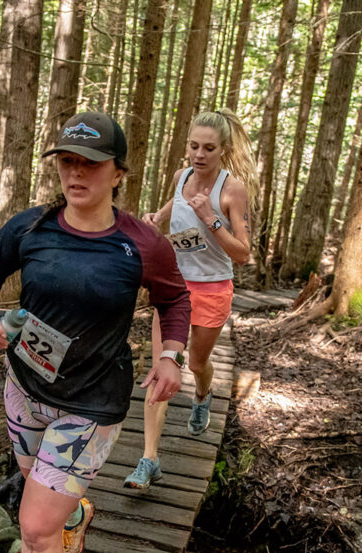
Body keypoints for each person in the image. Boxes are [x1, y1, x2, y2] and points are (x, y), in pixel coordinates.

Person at [0, 111, 191, 553]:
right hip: (24, 387)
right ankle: (76, 515)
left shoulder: (141, 244)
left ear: (118, 173)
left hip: (92, 404)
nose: (76, 173)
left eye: (90, 164)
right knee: (37, 489)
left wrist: (170, 355)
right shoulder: (32, 227)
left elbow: (175, 301)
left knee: (35, 526)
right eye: (67, 161)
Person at [124, 108, 256, 490]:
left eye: (208, 148)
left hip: (213, 288)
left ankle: (202, 395)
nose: (199, 155)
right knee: (163, 368)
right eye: (194, 146)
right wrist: (154, 220)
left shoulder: (232, 191)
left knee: (196, 363)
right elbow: (168, 213)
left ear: (223, 150)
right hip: (174, 287)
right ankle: (148, 458)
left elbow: (243, 254)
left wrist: (212, 219)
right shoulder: (182, 177)